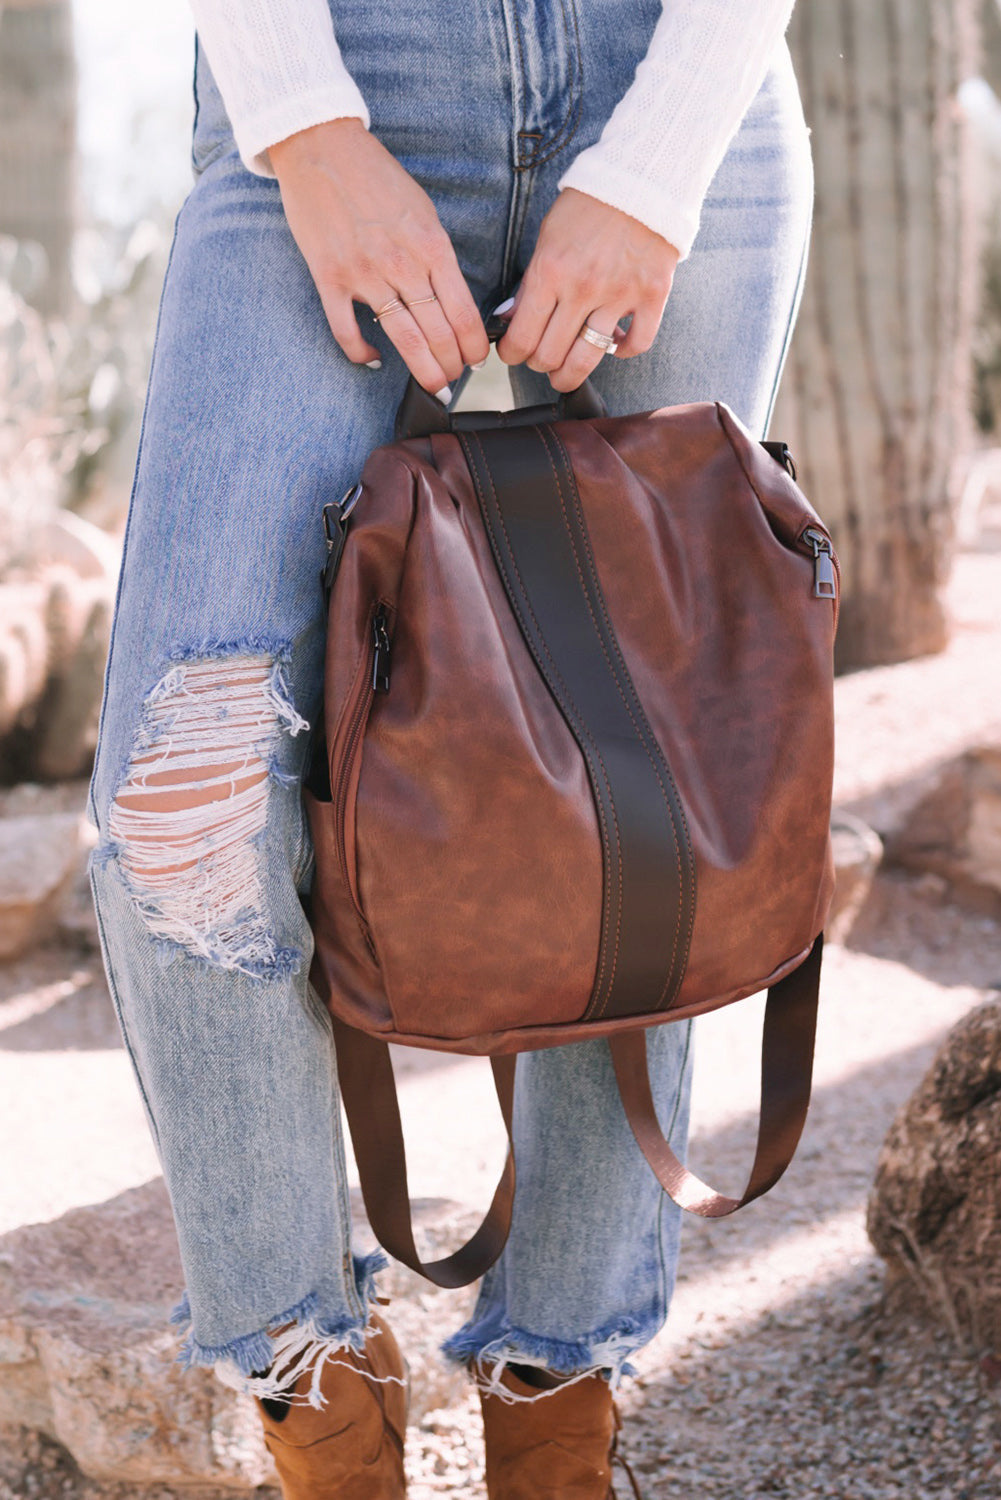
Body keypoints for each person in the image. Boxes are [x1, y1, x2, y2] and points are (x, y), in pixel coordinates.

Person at [86, 1, 812, 1495]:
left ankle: (560, 1394)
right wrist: (308, 129)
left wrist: (655, 164)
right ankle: (314, 1394)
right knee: (180, 810)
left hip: (672, 81)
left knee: (643, 798)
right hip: (338, 84)